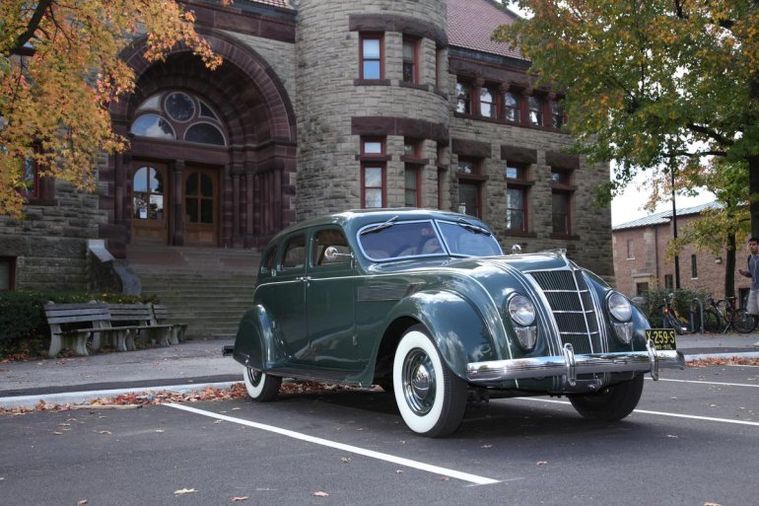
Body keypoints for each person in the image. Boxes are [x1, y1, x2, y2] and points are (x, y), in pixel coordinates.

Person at [738, 237, 759, 345]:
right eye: (750, 245)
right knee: (754, 312)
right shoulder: (750, 258)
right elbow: (752, 274)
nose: (752, 246)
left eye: (754, 244)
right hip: (754, 288)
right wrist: (744, 273)